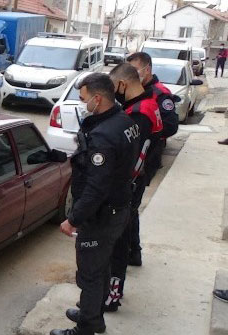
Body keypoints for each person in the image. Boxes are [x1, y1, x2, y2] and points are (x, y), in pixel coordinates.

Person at [51, 73, 139, 335]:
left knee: (90, 273)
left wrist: (73, 219)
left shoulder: (103, 136)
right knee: (101, 266)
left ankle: (86, 327)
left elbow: (96, 187)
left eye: (83, 98)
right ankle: (93, 314)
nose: (82, 103)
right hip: (120, 206)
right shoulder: (124, 120)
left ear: (97, 99)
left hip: (102, 215)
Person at [104, 63, 162, 312]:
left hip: (129, 186)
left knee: (117, 240)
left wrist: (119, 187)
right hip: (134, 182)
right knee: (121, 237)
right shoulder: (145, 104)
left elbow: (135, 158)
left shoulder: (139, 113)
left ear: (122, 85)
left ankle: (112, 296)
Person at [126, 51, 179, 265]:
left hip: (146, 159)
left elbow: (171, 126)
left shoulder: (160, 94)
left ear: (146, 69)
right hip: (134, 157)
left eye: (134, 70)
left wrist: (149, 129)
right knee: (130, 209)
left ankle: (131, 253)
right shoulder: (133, 92)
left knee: (129, 208)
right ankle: (133, 252)